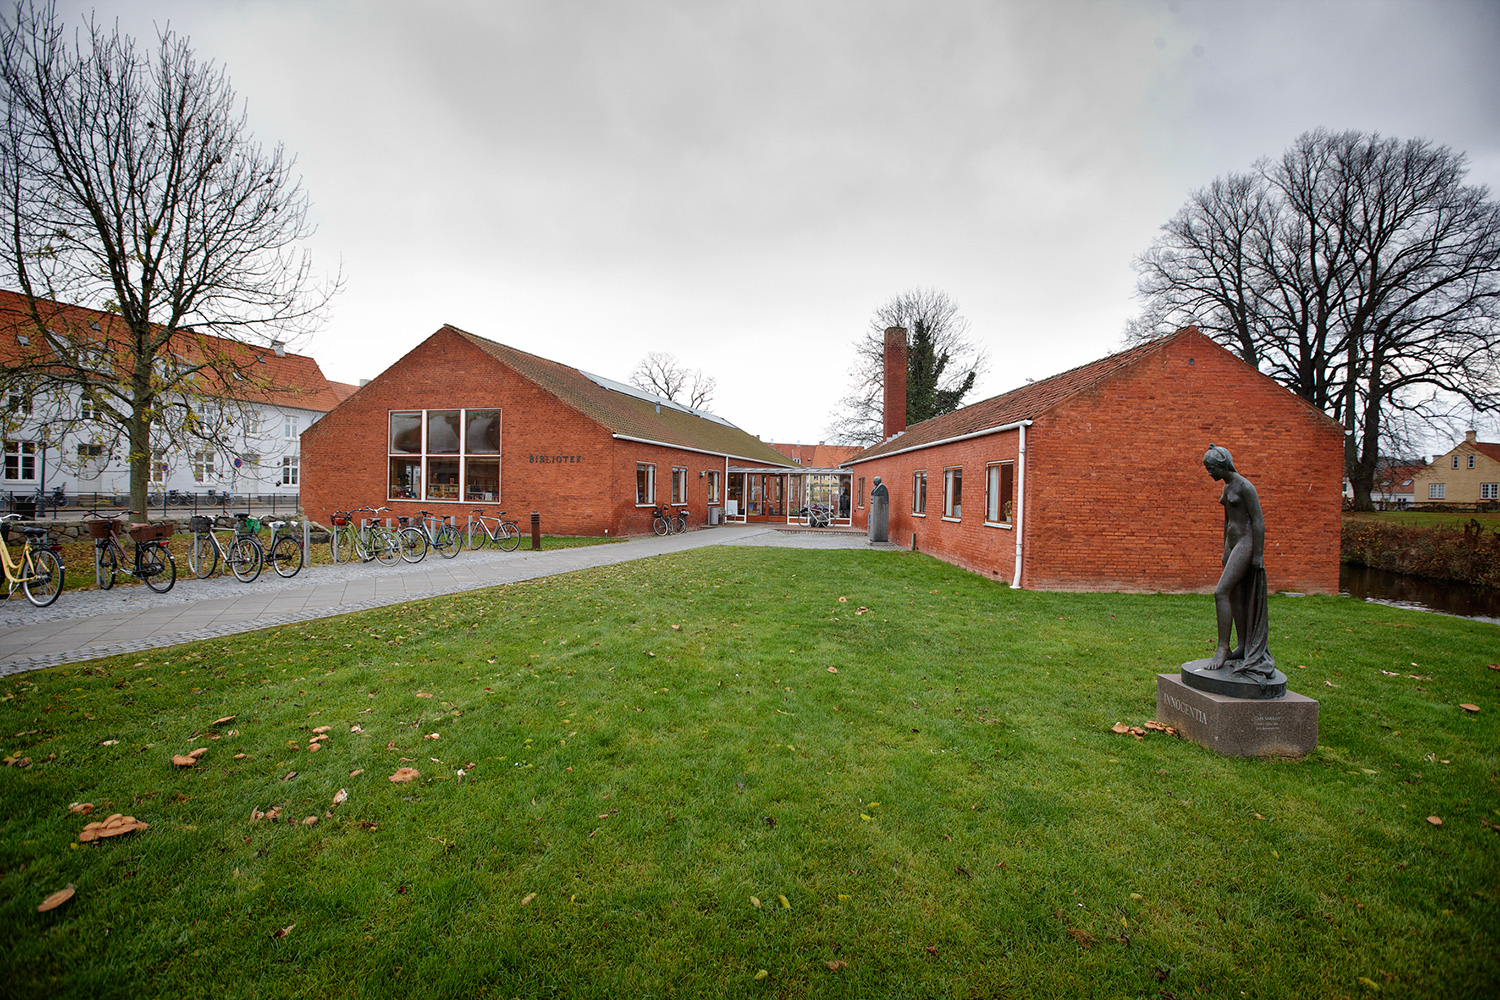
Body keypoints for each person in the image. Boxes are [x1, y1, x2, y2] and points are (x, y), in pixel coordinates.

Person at [1203, 444, 1275, 680]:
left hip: (1246, 543)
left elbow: (1258, 521)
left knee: (1220, 592)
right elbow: (1227, 523)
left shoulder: (1245, 486)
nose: (1209, 473)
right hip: (1233, 545)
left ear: (1223, 465)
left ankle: (1222, 647)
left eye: (1211, 468)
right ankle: (1243, 646)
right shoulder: (1226, 487)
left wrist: (1258, 554)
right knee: (1235, 595)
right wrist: (1226, 549)